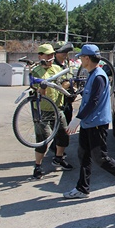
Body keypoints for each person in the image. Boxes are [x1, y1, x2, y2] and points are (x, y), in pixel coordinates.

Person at [63, 44, 115, 199]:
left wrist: (77, 118)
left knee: (100, 157)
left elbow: (94, 101)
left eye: (81, 57)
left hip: (96, 124)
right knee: (83, 154)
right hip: (88, 123)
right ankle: (82, 188)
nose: (80, 59)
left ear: (87, 58)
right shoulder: (92, 73)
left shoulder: (99, 76)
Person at [31, 44, 73, 179]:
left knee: (63, 135)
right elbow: (38, 91)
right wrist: (42, 86)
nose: (50, 58)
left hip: (57, 108)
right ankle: (38, 166)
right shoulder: (35, 71)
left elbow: (67, 82)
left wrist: (63, 85)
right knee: (43, 139)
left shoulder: (57, 69)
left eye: (51, 55)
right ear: (40, 56)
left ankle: (59, 158)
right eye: (47, 55)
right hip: (42, 110)